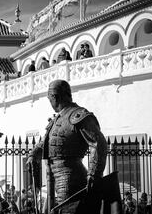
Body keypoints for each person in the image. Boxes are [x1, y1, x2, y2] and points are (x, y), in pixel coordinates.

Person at [27, 79, 107, 214]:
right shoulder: (57, 119)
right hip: (53, 177)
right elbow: (45, 143)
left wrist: (93, 174)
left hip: (70, 177)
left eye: (50, 99)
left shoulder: (78, 114)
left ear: (54, 97)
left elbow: (98, 143)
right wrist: (33, 155)